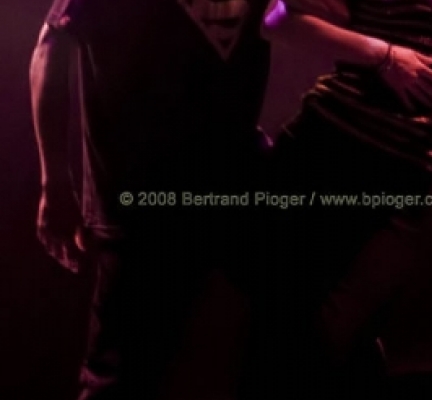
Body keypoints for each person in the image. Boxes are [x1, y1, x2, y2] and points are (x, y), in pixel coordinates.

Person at [241, 0, 432, 398]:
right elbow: (277, 20)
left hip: (410, 171)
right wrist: (383, 55)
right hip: (334, 152)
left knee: (340, 327)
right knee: (288, 321)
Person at [29, 0, 272, 398]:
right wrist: (54, 181)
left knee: (311, 320)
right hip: (139, 205)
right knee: (120, 377)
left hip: (232, 185)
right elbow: (51, 46)